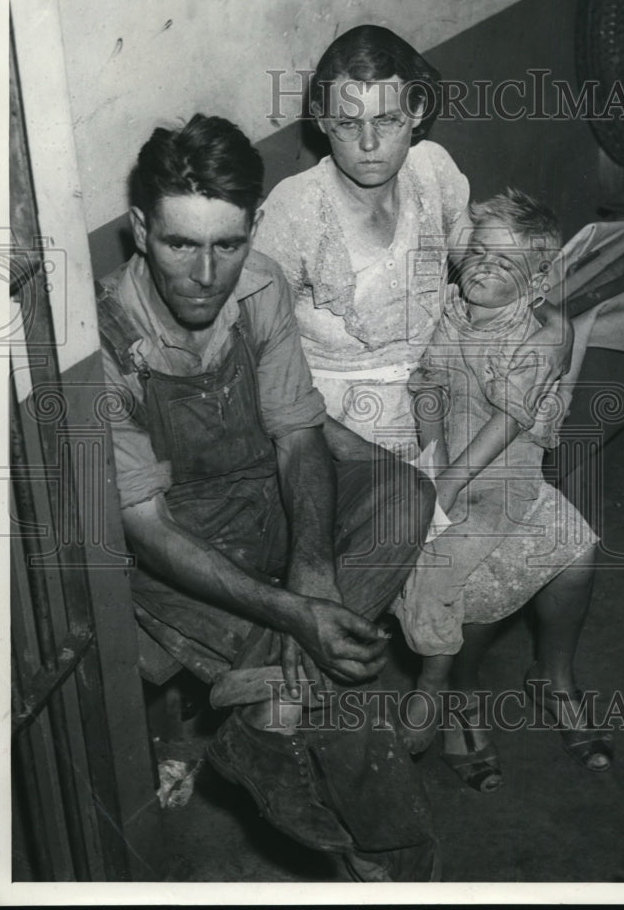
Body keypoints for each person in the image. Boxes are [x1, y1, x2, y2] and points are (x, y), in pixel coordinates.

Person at [96, 113, 440, 881]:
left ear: (252, 228)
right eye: (181, 243)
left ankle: (263, 713)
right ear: (140, 228)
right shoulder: (109, 346)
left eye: (227, 243)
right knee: (345, 689)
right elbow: (144, 528)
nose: (206, 274)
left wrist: (313, 574)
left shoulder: (260, 287)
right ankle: (392, 863)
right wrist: (299, 613)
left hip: (264, 497)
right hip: (173, 545)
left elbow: (296, 436)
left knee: (405, 494)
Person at [253, 26, 585, 786]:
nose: (369, 142)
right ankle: (443, 694)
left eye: (390, 119)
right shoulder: (294, 211)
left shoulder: (433, 171)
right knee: (430, 550)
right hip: (341, 422)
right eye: (346, 121)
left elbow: (486, 268)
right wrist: (335, 439)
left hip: (450, 394)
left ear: (419, 113)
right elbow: (262, 355)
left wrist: (550, 312)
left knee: (570, 546)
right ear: (318, 117)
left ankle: (552, 677)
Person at [402, 187, 612, 781]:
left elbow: (511, 417)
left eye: (507, 261)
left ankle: (435, 682)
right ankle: (457, 689)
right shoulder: (452, 312)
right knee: (415, 550)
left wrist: (448, 482)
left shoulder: (534, 335)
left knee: (444, 564)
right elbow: (430, 384)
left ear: (536, 283)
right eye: (479, 250)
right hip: (447, 464)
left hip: (503, 481)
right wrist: (430, 452)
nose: (485, 265)